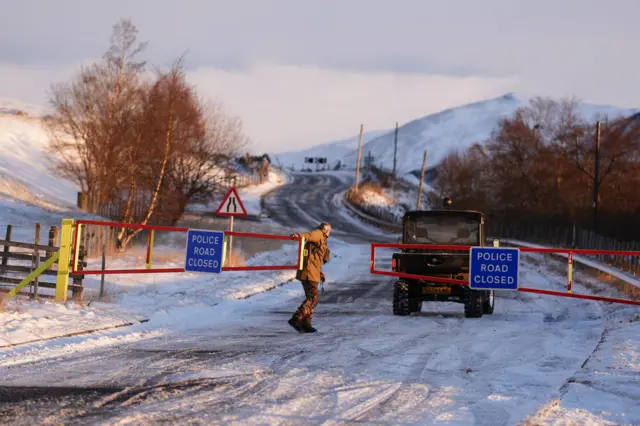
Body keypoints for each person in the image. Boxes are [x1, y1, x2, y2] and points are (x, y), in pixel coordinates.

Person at [288, 222, 332, 333]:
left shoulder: (320, 239)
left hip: (311, 272)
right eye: (329, 231)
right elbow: (308, 235)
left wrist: (320, 272)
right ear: (326, 230)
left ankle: (306, 324)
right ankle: (297, 318)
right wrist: (298, 236)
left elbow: (314, 259)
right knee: (313, 299)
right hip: (309, 273)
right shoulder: (319, 234)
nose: (329, 233)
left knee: (311, 299)